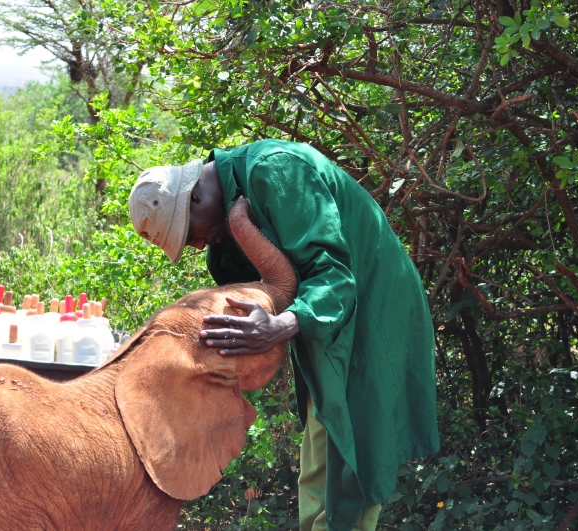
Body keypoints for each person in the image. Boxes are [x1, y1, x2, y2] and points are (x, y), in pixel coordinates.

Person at [128, 139, 439, 531]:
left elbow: (334, 274)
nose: (199, 244)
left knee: (352, 454)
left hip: (373, 309)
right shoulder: (229, 222)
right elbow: (264, 288)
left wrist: (283, 325)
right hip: (327, 322)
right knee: (321, 450)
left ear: (194, 197)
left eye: (191, 234)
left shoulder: (275, 171)